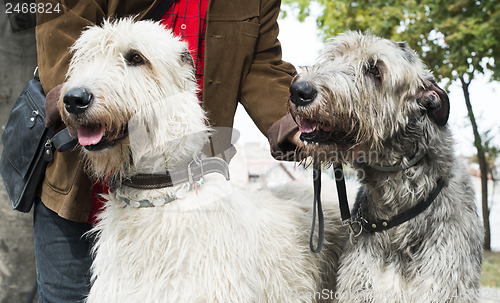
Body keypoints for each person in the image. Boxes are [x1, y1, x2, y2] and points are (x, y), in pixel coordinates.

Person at [34, 0, 299, 301]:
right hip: (76, 190)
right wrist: (77, 93)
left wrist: (299, 125)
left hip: (187, 190)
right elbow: (62, 24)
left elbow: (262, 66)